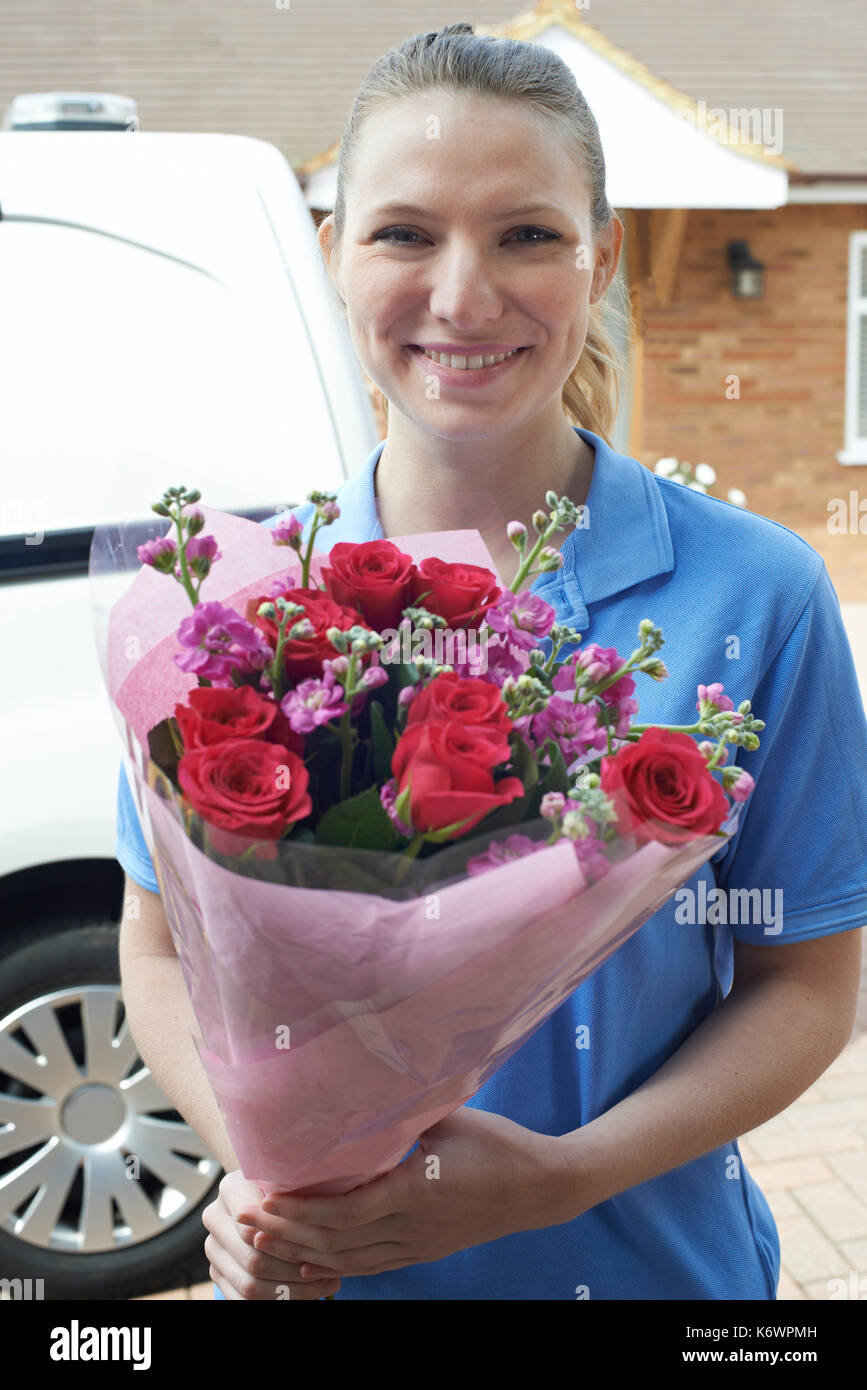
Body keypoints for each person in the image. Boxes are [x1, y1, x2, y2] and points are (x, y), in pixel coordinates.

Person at [116, 23, 867, 1301]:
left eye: (526, 234)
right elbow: (158, 949)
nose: (464, 297)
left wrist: (564, 1176)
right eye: (405, 233)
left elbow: (805, 984)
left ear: (601, 256)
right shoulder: (236, 603)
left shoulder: (758, 594)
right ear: (334, 256)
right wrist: (260, 1168)